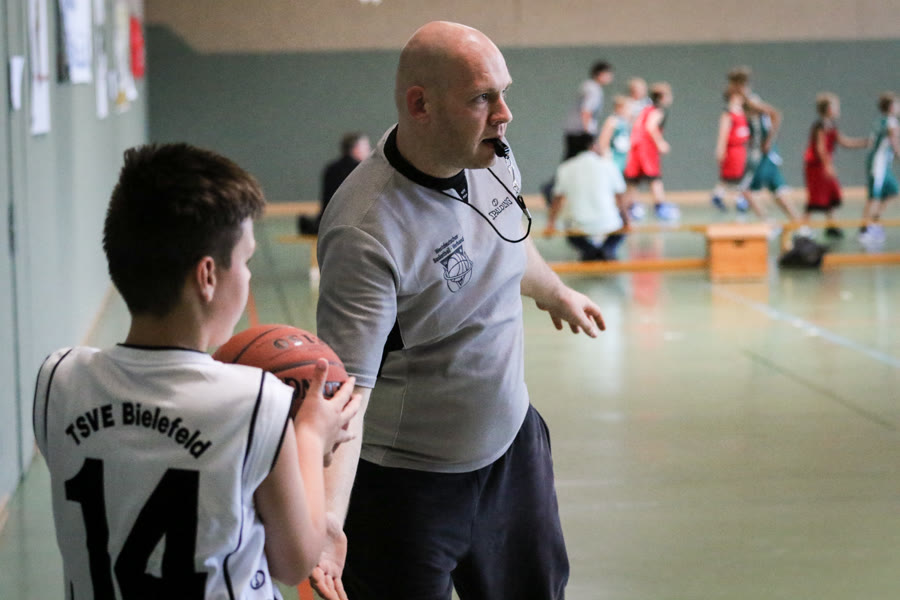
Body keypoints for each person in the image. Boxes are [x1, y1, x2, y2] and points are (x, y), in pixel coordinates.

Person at [313, 21, 606, 600]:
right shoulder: (366, 230)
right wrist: (327, 518)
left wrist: (554, 291)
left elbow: (505, 242)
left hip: (512, 450)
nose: (504, 114)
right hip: (409, 487)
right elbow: (347, 393)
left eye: (504, 92)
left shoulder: (489, 155)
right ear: (420, 105)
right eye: (481, 98)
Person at [33, 143, 360, 599]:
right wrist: (308, 436)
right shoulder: (256, 401)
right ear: (207, 276)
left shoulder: (57, 380)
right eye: (245, 262)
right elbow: (294, 561)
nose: (248, 277)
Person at [728, 66, 802, 224]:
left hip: (763, 152)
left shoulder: (751, 102)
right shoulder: (742, 103)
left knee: (746, 188)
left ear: (738, 85)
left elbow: (775, 114)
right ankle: (798, 224)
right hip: (761, 152)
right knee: (776, 189)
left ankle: (770, 222)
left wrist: (768, 141)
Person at [546, 132, 628, 261]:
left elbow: (557, 200)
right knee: (619, 228)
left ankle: (590, 252)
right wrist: (627, 222)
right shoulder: (608, 165)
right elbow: (621, 198)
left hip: (578, 225)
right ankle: (606, 250)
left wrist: (551, 224)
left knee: (570, 228)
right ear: (592, 146)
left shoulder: (565, 168)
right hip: (609, 223)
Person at [802, 92, 869, 238]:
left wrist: (864, 142)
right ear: (828, 109)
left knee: (830, 194)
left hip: (824, 164)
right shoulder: (820, 126)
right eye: (836, 107)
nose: (838, 110)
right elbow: (820, 148)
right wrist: (827, 165)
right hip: (816, 165)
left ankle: (831, 224)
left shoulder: (832, 125)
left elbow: (844, 142)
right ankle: (804, 227)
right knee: (816, 196)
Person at [623, 82, 680, 221]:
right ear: (662, 97)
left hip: (635, 149)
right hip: (646, 150)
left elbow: (636, 126)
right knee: (654, 178)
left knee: (633, 181)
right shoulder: (657, 111)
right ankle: (660, 206)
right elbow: (650, 127)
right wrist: (660, 143)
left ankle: (628, 207)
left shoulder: (645, 109)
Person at [298, 132, 371, 235]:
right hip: (352, 224)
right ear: (356, 149)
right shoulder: (362, 170)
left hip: (327, 223)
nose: (369, 151)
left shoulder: (331, 168)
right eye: (366, 148)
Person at [859, 91, 900, 248]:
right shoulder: (891, 122)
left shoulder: (880, 120)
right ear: (891, 107)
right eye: (896, 104)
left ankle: (875, 220)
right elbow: (894, 141)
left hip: (883, 165)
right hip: (878, 164)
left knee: (893, 191)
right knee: (873, 196)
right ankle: (864, 229)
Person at [710, 83, 751, 213]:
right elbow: (723, 133)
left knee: (738, 175)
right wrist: (720, 149)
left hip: (741, 148)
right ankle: (737, 198)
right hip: (732, 149)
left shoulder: (743, 112)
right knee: (731, 175)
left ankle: (720, 195)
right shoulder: (728, 114)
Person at [562, 59, 614, 159]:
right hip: (581, 133)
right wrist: (588, 134)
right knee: (580, 160)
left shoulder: (588, 86)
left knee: (572, 160)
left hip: (575, 131)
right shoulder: (593, 89)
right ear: (601, 74)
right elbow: (586, 111)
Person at [597, 95, 633, 173]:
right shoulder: (612, 121)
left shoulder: (626, 122)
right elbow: (603, 139)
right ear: (619, 108)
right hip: (613, 156)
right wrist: (605, 154)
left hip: (622, 156)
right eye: (627, 108)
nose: (629, 111)